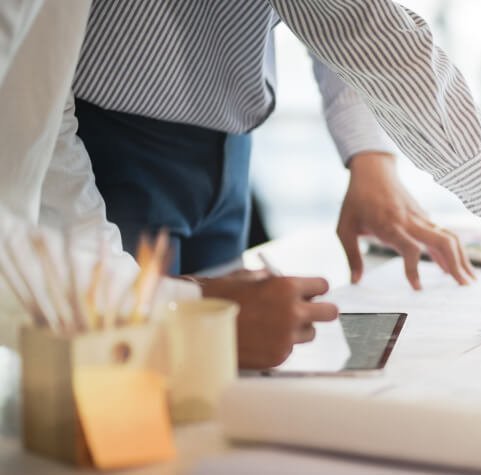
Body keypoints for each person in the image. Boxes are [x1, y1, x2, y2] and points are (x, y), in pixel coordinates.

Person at [73, 0, 481, 300]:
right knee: (124, 391)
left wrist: (371, 159)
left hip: (230, 147)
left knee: (214, 390)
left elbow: (339, 25)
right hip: (112, 147)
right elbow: (361, 25)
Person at [0, 0, 337, 369]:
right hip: (123, 141)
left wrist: (178, 301)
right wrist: (183, 314)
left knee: (207, 384)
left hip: (228, 146)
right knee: (118, 380)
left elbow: (43, 112)